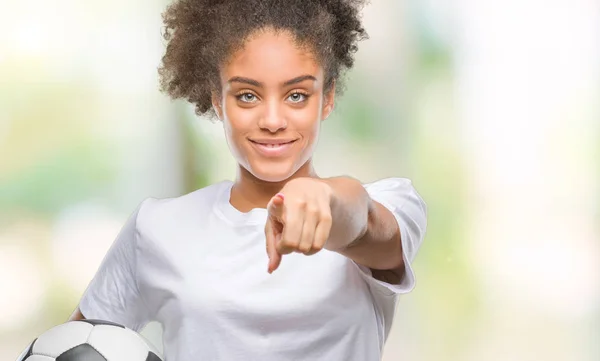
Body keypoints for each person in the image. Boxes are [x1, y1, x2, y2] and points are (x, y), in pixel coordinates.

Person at [69, 1, 427, 360]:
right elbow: (76, 346)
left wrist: (325, 200)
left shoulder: (395, 202)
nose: (272, 120)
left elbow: (363, 221)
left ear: (328, 97)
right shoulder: (157, 227)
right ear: (217, 98)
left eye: (297, 95)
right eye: (247, 95)